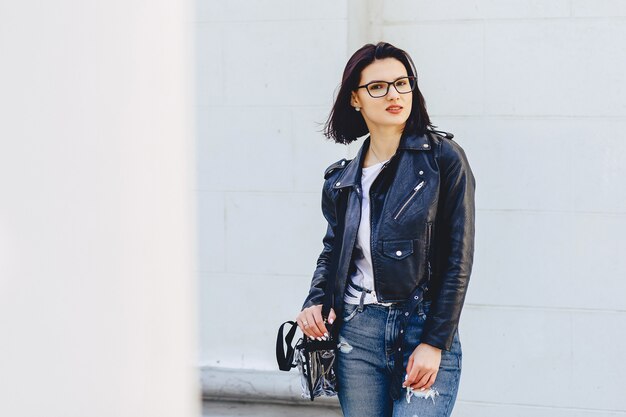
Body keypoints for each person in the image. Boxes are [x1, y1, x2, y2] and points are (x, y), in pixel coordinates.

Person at [295, 41, 476, 417]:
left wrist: (435, 342)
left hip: (420, 329)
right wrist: (314, 300)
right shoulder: (341, 179)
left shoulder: (442, 160)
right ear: (355, 100)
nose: (394, 94)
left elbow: (459, 259)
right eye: (377, 86)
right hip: (356, 334)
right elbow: (333, 250)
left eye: (402, 83)